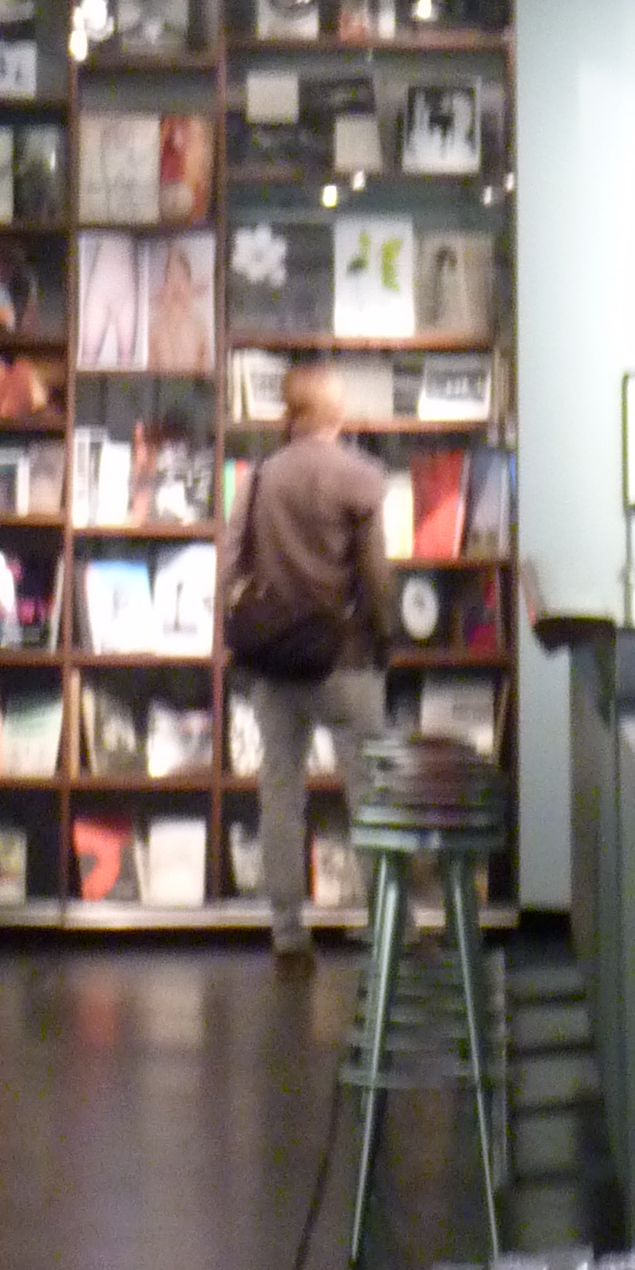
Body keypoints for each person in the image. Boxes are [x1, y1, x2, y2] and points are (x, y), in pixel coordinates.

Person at [220, 364, 395, 968]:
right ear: (337, 414)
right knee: (368, 795)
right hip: (345, 661)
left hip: (275, 663)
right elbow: (375, 579)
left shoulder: (259, 479)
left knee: (280, 793)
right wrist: (385, 640)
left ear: (291, 414)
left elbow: (229, 568)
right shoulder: (360, 478)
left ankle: (288, 931)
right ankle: (386, 926)